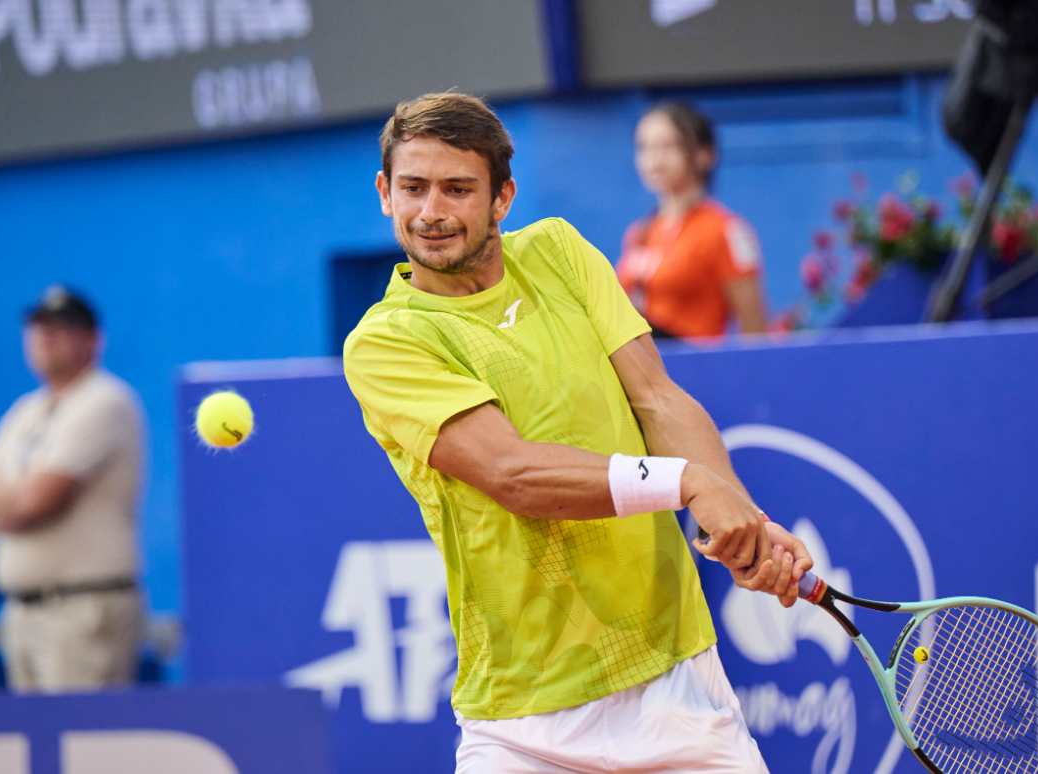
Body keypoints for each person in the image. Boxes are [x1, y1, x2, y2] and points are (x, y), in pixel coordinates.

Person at [344, 92, 812, 772]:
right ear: (385, 193)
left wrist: (743, 519)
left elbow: (657, 398)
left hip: (676, 682)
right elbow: (514, 475)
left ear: (502, 198)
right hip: (523, 723)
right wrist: (689, 482)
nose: (432, 212)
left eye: (458, 189)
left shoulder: (558, 251)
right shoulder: (387, 342)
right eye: (413, 188)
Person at [0, 286, 145, 693]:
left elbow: (38, 502)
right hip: (23, 611)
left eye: (61, 329)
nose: (46, 338)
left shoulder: (104, 400)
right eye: (39, 329)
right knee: (33, 732)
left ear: (93, 340)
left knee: (86, 732)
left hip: (83, 611)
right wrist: (14, 500)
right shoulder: (27, 410)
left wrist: (6, 502)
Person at [617, 102, 768, 339]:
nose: (654, 158)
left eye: (668, 145)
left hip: (693, 357)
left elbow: (754, 329)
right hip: (644, 358)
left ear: (704, 155)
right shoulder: (639, 232)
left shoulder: (726, 230)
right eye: (644, 147)